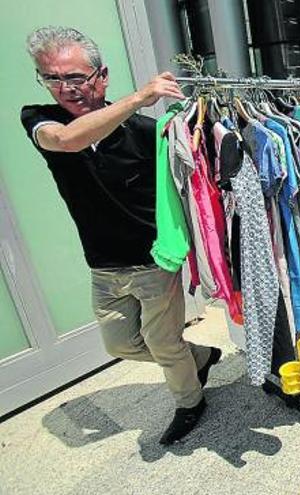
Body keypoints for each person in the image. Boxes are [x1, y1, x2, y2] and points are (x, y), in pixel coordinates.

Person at [20, 27, 220, 445]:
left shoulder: (147, 133)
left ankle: (190, 403)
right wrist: (137, 98)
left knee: (164, 345)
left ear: (102, 75)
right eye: (51, 77)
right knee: (121, 344)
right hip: (102, 264)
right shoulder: (42, 120)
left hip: (151, 260)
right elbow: (68, 140)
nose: (64, 88)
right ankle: (198, 357)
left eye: (75, 77)